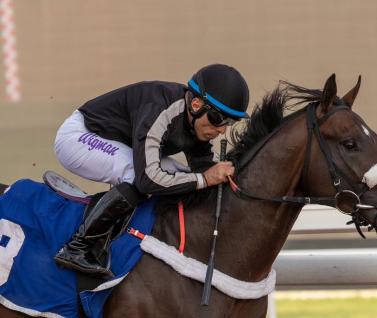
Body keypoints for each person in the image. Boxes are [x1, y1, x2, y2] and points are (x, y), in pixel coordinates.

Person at [53, 64, 251, 279]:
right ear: (196, 104)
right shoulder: (160, 110)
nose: (222, 129)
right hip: (80, 137)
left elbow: (200, 170)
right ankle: (77, 247)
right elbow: (147, 180)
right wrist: (204, 178)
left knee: (180, 172)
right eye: (218, 119)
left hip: (119, 144)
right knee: (137, 175)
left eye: (230, 122)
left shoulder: (198, 124)